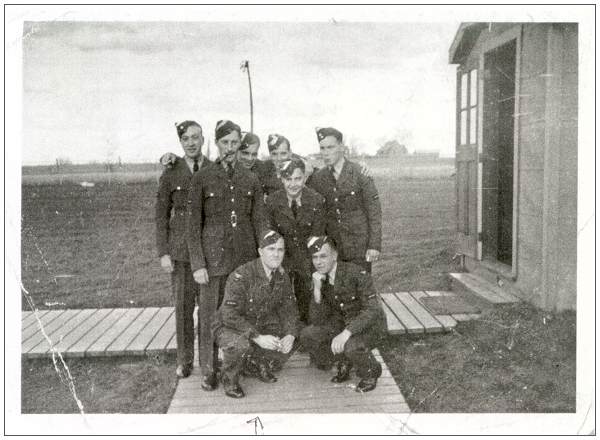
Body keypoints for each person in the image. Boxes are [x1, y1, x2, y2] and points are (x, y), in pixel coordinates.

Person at [187, 119, 268, 391]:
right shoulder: (202, 177)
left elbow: (260, 221)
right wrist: (198, 263)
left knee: (246, 313)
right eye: (225, 143)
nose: (230, 148)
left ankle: (245, 364)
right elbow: (192, 226)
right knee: (210, 316)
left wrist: (264, 257)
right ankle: (209, 370)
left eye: (235, 143)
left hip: (243, 261)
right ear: (217, 143)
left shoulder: (251, 179)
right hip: (212, 263)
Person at [212, 230, 300, 398]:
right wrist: (258, 337)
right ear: (260, 251)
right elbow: (229, 315)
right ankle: (229, 378)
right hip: (229, 326)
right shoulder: (242, 275)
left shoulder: (281, 275)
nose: (276, 254)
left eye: (280, 250)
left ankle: (258, 362)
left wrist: (290, 334)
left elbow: (289, 309)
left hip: (259, 322)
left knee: (298, 333)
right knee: (240, 345)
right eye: (271, 249)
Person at [155, 120, 211, 378]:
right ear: (180, 142)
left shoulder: (213, 169)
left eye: (195, 137)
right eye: (186, 138)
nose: (191, 142)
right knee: (183, 308)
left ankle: (209, 361)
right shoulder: (171, 172)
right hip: (180, 253)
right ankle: (185, 360)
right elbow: (160, 215)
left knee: (209, 309)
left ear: (203, 139)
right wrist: (164, 252)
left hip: (208, 252)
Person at [299, 236, 385, 393]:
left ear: (335, 256)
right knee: (308, 334)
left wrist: (346, 333)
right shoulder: (319, 278)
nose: (318, 262)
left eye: (323, 256)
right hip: (341, 323)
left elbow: (373, 310)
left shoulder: (355, 273)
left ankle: (371, 372)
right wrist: (317, 291)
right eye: (315, 257)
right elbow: (317, 320)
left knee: (351, 346)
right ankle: (343, 361)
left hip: (369, 326)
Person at [308, 127, 382, 272]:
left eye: (330, 147)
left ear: (341, 147)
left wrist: (374, 245)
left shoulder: (360, 173)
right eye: (322, 148)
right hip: (332, 248)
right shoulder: (318, 178)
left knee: (360, 289)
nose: (325, 152)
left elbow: (374, 212)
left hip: (358, 247)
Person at [265, 158, 326, 323]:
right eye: (288, 179)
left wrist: (313, 269)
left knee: (308, 299)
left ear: (304, 178)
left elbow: (317, 237)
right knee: (279, 299)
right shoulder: (272, 201)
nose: (293, 184)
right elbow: (271, 236)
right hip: (282, 258)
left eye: (297, 179)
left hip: (306, 258)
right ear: (282, 179)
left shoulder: (316, 200)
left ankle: (305, 334)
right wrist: (278, 264)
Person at [237, 132, 281, 196]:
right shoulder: (223, 169)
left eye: (254, 154)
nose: (250, 158)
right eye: (245, 153)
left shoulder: (262, 169)